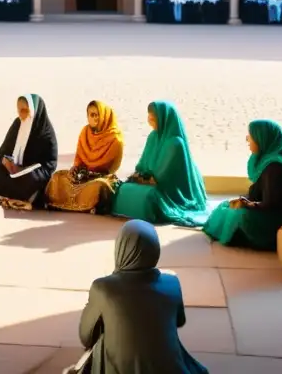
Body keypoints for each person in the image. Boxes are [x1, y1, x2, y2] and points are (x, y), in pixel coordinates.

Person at [71, 220, 207, 374]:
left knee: (103, 336)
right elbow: (179, 321)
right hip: (171, 369)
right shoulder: (172, 282)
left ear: (120, 248)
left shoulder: (103, 288)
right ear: (155, 249)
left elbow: (86, 337)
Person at [203, 119, 282, 251]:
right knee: (224, 206)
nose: (247, 140)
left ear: (262, 139)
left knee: (237, 216)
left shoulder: (274, 166)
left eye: (251, 136)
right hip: (266, 208)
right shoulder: (265, 160)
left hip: (275, 217)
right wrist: (245, 200)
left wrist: (248, 204)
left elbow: (272, 203)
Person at [110, 101, 207, 226]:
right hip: (148, 181)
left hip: (167, 190)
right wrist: (139, 175)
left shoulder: (175, 143)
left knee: (149, 198)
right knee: (122, 189)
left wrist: (146, 179)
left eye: (153, 117)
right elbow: (142, 164)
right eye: (149, 116)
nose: (150, 120)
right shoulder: (152, 137)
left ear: (163, 118)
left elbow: (163, 176)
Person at [0, 93, 58, 210]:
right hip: (13, 172)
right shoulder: (18, 124)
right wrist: (6, 161)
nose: (21, 115)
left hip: (33, 175)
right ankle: (4, 196)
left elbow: (50, 164)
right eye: (19, 111)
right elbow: (4, 150)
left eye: (25, 111)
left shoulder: (45, 131)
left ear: (34, 111)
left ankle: (17, 196)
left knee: (29, 180)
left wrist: (25, 170)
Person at [46, 100, 125, 214]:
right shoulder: (85, 132)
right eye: (91, 115)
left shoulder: (114, 138)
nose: (95, 118)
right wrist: (75, 168)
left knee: (100, 186)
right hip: (82, 175)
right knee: (57, 177)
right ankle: (64, 203)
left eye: (97, 114)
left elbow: (112, 168)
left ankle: (90, 205)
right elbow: (79, 158)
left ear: (104, 116)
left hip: (101, 177)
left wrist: (93, 173)